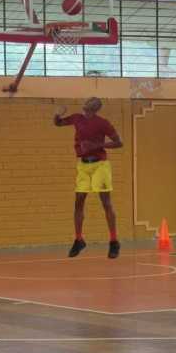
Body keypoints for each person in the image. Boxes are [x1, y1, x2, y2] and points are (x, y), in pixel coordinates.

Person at [54, 97, 123, 259]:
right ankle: (79, 240)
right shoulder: (77, 118)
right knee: (78, 201)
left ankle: (114, 241)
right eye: (86, 104)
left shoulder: (103, 123)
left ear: (96, 108)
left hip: (100, 165)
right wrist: (57, 115)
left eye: (90, 105)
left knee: (105, 202)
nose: (86, 107)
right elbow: (58, 123)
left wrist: (97, 145)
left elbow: (119, 143)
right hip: (83, 165)